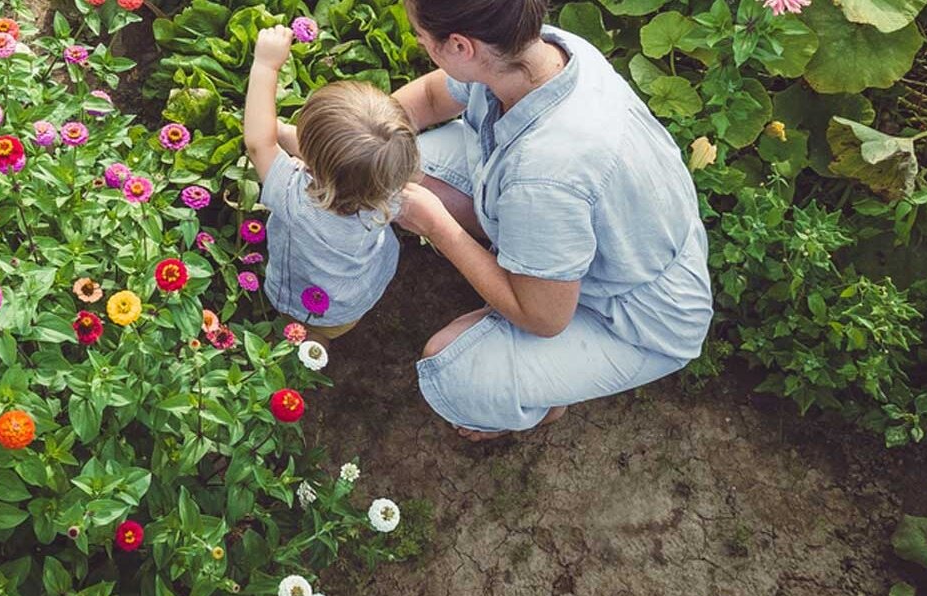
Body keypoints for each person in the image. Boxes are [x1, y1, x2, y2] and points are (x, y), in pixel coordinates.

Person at [389, 0, 713, 440]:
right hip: (603, 229)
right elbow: (428, 98)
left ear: (461, 46)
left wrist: (436, 226)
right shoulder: (538, 51)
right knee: (395, 164)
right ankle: (527, 270)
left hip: (638, 316)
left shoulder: (545, 173)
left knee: (454, 370)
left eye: (423, 40)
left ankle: (543, 406)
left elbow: (542, 317)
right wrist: (358, 134)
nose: (421, 45)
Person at [244, 25, 421, 342]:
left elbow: (258, 143)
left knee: (305, 334)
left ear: (313, 164)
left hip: (312, 304)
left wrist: (266, 65)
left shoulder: (297, 201)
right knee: (330, 325)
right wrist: (285, 134)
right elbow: (343, 166)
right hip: (360, 289)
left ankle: (305, 359)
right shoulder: (390, 186)